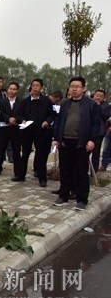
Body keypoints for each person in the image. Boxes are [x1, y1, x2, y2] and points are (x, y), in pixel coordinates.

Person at [52, 77, 101, 210]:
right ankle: (63, 196)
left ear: (84, 88)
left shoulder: (91, 105)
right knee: (65, 169)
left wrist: (92, 140)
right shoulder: (65, 104)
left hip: (82, 143)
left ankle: (82, 199)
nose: (74, 89)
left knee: (81, 171)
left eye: (77, 86)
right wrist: (56, 138)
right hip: (65, 141)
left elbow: (96, 124)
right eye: (72, 86)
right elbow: (58, 122)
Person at [13, 78, 56, 187]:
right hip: (27, 131)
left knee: (41, 155)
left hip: (41, 131)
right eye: (33, 85)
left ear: (41, 87)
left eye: (37, 86)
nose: (35, 87)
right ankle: (20, 175)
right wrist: (22, 120)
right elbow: (19, 114)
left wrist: (47, 122)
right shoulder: (25, 101)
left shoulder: (46, 101)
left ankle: (42, 178)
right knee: (25, 153)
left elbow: (52, 115)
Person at [0, 82, 22, 177]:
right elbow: (0, 113)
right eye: (10, 89)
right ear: (7, 90)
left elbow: (22, 114)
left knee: (16, 150)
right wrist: (8, 119)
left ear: (17, 90)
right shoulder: (2, 102)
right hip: (4, 128)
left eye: (14, 89)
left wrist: (16, 119)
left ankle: (17, 172)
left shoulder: (21, 102)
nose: (12, 91)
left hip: (16, 129)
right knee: (1, 148)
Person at [91, 90, 111, 173]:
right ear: (94, 95)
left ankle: (94, 172)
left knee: (96, 153)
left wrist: (98, 106)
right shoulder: (89, 103)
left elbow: (106, 116)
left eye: (100, 96)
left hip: (99, 132)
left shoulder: (106, 106)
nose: (98, 97)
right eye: (97, 95)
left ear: (104, 97)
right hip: (88, 131)